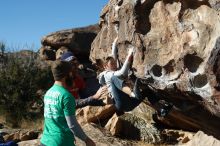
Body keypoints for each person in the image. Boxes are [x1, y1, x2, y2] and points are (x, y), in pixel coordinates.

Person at [40, 60, 95, 146]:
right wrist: (87, 140)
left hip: (45, 141)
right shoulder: (66, 96)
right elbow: (72, 125)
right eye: (71, 73)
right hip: (62, 142)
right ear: (68, 75)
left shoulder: (48, 93)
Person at [98, 37, 143, 113]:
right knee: (113, 79)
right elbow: (122, 72)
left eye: (114, 63)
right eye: (112, 64)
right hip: (121, 104)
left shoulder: (112, 69)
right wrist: (129, 55)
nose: (114, 65)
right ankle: (132, 93)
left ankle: (161, 110)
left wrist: (115, 43)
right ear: (105, 67)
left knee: (147, 92)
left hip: (129, 103)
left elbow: (113, 56)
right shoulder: (107, 74)